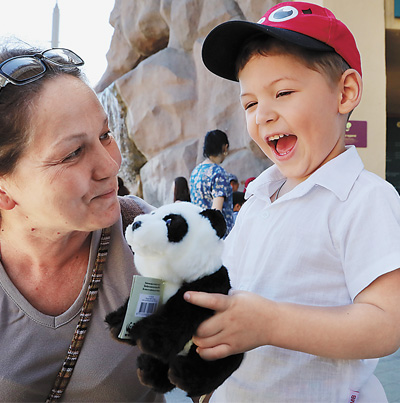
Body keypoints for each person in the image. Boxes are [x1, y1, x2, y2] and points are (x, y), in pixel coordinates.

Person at [184, 2, 400, 402]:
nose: (262, 115)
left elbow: (387, 324)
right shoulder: (257, 199)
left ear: (346, 92)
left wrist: (271, 324)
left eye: (282, 92)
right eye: (249, 103)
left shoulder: (364, 199)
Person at [0, 45, 164, 402]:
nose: (110, 166)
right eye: (72, 153)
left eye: (105, 135)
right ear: (4, 190)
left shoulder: (152, 238)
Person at [190, 129, 234, 236]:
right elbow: (216, 212)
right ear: (225, 147)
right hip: (219, 236)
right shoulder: (218, 173)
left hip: (200, 232)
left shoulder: (195, 172)